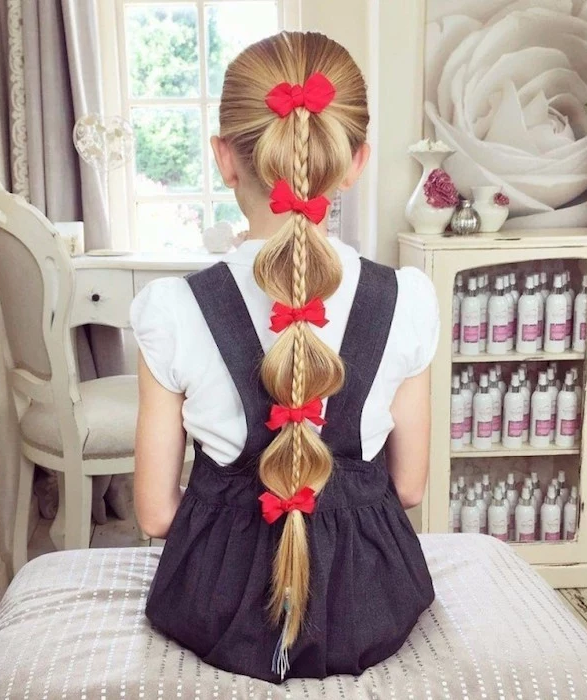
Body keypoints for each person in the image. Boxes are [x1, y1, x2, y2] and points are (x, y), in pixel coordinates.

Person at [131, 31, 439, 684]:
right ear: (354, 160)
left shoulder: (169, 309)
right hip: (370, 601)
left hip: (215, 603)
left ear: (225, 158)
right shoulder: (408, 299)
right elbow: (409, 487)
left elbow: (156, 514)